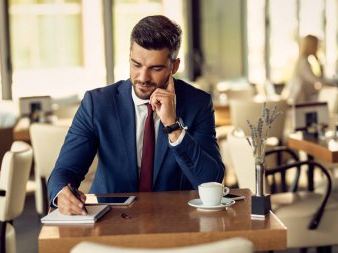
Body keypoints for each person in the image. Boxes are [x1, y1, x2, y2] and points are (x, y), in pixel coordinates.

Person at [47, 15, 225, 215]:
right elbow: (65, 170)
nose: (143, 78)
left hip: (174, 221)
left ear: (173, 66)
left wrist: (173, 126)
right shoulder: (97, 104)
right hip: (110, 220)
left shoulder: (197, 104)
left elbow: (211, 180)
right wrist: (61, 194)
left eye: (155, 68)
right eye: (136, 65)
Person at [282, 35, 332, 103]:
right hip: (298, 99)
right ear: (310, 46)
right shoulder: (303, 62)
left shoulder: (304, 61)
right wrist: (332, 83)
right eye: (316, 45)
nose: (317, 48)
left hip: (302, 98)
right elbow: (315, 80)